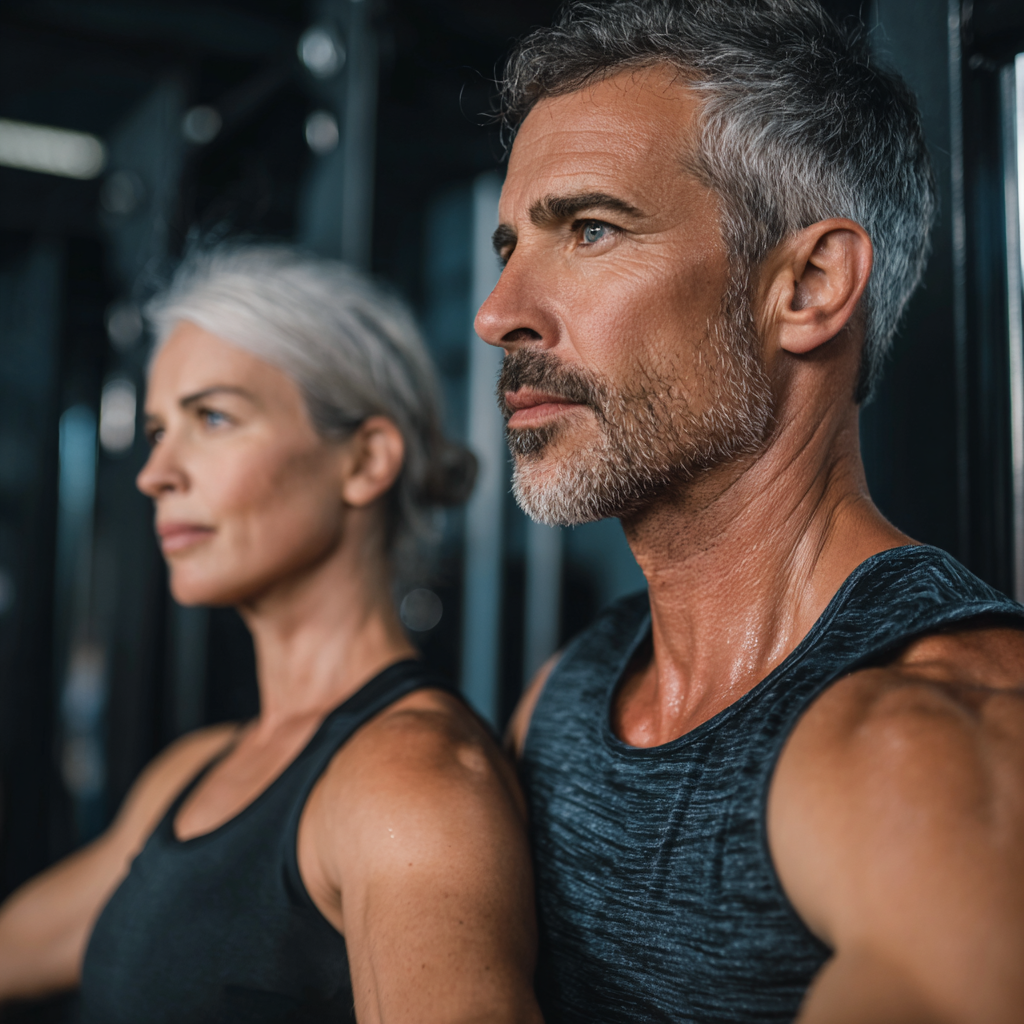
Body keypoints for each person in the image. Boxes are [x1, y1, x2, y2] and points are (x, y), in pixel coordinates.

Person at [476, 1, 1024, 1022]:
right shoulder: (568, 693)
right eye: (509, 245)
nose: (498, 312)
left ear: (808, 286)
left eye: (588, 228)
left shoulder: (937, 735)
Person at [0, 245, 542, 1024]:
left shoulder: (407, 783)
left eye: (212, 417)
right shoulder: (195, 772)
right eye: (157, 431)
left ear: (364, 460)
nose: (156, 474)